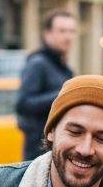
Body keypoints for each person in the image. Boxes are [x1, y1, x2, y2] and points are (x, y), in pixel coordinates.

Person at [16, 9, 76, 161]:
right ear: (47, 34)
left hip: (57, 146)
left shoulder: (64, 68)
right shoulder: (38, 63)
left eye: (71, 31)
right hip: (38, 150)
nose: (68, 36)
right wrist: (64, 94)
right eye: (62, 31)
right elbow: (23, 104)